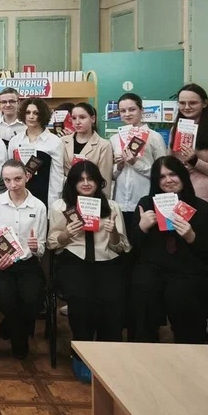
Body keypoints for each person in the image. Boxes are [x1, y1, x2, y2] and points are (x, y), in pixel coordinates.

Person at [47, 162, 129, 383]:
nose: (86, 183)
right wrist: (66, 233)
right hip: (74, 258)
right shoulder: (61, 207)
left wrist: (113, 234)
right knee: (81, 297)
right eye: (80, 179)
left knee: (113, 298)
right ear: (72, 183)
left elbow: (120, 247)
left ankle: (108, 352)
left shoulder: (111, 206)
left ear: (98, 182)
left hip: (106, 259)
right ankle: (81, 353)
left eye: (90, 179)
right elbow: (52, 243)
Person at [132, 157, 208, 345]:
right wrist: (141, 227)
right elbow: (133, 246)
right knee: (143, 289)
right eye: (162, 177)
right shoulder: (146, 204)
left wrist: (192, 237)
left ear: (183, 176)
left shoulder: (202, 208)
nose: (168, 180)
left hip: (189, 270)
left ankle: (188, 350)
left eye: (172, 174)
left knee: (181, 296)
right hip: (154, 268)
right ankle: (144, 346)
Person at [0, 160, 47, 359]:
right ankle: (19, 337)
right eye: (7, 180)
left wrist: (35, 248)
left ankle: (11, 326)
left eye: (17, 179)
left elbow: (41, 247)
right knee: (5, 298)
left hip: (28, 263)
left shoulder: (39, 206)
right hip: (3, 264)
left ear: (27, 176)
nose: (13, 185)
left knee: (33, 298)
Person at [110, 93, 168, 232]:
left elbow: (162, 173)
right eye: (123, 111)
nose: (127, 114)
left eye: (132, 109)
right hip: (120, 201)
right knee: (122, 239)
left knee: (143, 239)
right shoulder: (114, 139)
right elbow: (111, 176)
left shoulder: (154, 137)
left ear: (141, 110)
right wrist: (119, 166)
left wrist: (135, 163)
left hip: (145, 199)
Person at [170, 83, 208, 206]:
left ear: (205, 103)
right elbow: (170, 162)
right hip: (177, 195)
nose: (187, 107)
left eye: (193, 103)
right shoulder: (175, 130)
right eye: (182, 103)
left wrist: (196, 162)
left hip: (204, 199)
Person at [62, 103, 114, 196]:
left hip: (91, 197)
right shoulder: (62, 142)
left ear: (93, 119)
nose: (77, 122)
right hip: (67, 194)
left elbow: (105, 178)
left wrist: (104, 201)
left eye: (82, 117)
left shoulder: (103, 145)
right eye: (74, 118)